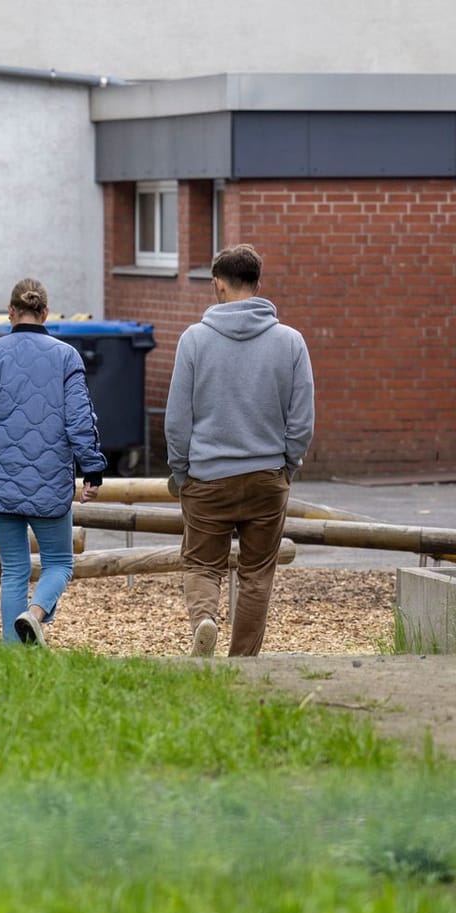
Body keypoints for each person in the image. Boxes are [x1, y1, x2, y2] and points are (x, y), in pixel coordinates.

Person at [165, 244, 315, 658]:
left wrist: (182, 472)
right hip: (267, 476)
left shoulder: (194, 341)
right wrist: (288, 465)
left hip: (207, 477)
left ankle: (204, 620)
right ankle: (243, 660)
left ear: (217, 284)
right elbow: (302, 418)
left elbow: (178, 419)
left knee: (200, 564)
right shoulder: (290, 342)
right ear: (257, 284)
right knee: (256, 575)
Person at [0, 279, 106, 646]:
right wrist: (92, 470)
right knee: (60, 564)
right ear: (45, 313)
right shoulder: (67, 356)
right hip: (50, 482)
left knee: (14, 570)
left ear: (11, 313)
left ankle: (12, 656)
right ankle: (34, 615)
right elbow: (81, 420)